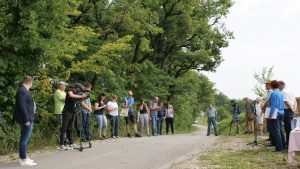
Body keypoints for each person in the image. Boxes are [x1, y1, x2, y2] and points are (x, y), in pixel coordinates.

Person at [13, 76, 37, 167]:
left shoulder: (23, 90)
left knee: (24, 139)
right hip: (26, 120)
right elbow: (22, 107)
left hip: (28, 118)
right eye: (32, 83)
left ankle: (24, 157)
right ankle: (23, 159)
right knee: (24, 140)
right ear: (30, 83)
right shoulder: (22, 91)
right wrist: (26, 120)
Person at [59, 83, 86, 150]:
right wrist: (80, 96)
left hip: (73, 112)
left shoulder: (77, 95)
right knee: (64, 128)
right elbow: (71, 95)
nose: (79, 91)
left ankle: (71, 143)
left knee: (70, 128)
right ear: (76, 88)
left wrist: (83, 98)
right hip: (66, 112)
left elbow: (80, 101)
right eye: (79, 89)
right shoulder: (70, 90)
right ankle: (62, 144)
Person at [279, 81, 298, 147]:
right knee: (290, 128)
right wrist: (295, 109)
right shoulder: (291, 90)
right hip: (291, 110)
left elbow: (286, 102)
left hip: (287, 110)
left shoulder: (283, 92)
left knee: (288, 129)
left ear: (281, 85)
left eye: (279, 86)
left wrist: (292, 110)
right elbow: (295, 101)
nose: (278, 87)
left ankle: (289, 144)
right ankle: (290, 143)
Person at [268, 80, 285, 152]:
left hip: (276, 113)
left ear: (271, 86)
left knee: (276, 131)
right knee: (281, 130)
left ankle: (279, 148)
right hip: (282, 112)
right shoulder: (280, 93)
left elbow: (273, 106)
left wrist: (270, 115)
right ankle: (283, 146)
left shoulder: (273, 93)